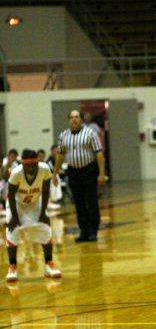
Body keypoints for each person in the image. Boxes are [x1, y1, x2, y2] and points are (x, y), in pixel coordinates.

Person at [5, 149, 61, 285]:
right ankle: (13, 267)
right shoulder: (16, 173)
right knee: (12, 231)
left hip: (35, 202)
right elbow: (11, 196)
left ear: (38, 163)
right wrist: (14, 217)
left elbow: (46, 191)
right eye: (27, 165)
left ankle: (49, 264)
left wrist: (43, 213)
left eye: (33, 165)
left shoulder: (45, 169)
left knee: (46, 228)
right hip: (17, 204)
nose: (30, 168)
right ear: (22, 165)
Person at [52, 110, 106, 243]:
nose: (74, 120)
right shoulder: (63, 135)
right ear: (68, 120)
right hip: (73, 172)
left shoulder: (90, 133)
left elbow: (99, 154)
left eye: (77, 117)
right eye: (71, 117)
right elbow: (60, 155)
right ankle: (83, 231)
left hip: (89, 170)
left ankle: (93, 230)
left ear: (81, 119)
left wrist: (102, 173)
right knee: (79, 203)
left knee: (91, 202)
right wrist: (55, 173)